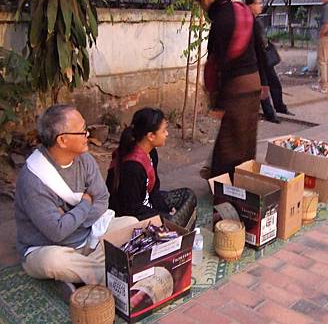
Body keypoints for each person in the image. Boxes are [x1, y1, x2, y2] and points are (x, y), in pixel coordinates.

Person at [15, 105, 138, 291]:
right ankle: (112, 278)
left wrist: (69, 218)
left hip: (89, 237)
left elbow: (103, 199)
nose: (87, 135)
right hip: (48, 247)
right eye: (82, 131)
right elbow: (57, 233)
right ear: (63, 140)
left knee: (132, 224)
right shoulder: (33, 179)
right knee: (54, 261)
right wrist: (86, 203)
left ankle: (79, 275)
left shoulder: (84, 159)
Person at [195, 0, 265, 178]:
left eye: (201, 6)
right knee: (247, 138)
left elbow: (218, 64)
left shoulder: (220, 21)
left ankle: (224, 184)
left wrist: (218, 102)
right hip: (254, 83)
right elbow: (260, 50)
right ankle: (244, 179)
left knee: (229, 141)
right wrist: (264, 83)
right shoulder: (243, 11)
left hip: (236, 88)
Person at [107, 108, 197, 228]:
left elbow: (154, 191)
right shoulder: (131, 168)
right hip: (131, 216)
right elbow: (131, 210)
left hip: (148, 203)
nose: (167, 134)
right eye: (164, 131)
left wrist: (167, 209)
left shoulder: (151, 153)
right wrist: (163, 216)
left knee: (188, 195)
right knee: (174, 222)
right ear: (151, 136)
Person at [245, 0, 295, 123]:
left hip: (265, 58)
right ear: (250, 5)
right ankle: (270, 114)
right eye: (258, 3)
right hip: (257, 60)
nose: (261, 6)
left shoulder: (256, 20)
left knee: (274, 83)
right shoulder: (248, 22)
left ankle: (280, 107)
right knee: (264, 86)